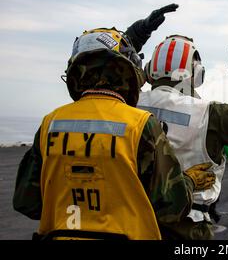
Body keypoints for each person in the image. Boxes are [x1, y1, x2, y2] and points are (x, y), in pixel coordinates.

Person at [13, 24, 215, 240]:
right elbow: (169, 208)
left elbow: (28, 203)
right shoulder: (141, 124)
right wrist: (190, 181)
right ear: (128, 69)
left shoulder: (50, 123)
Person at [136, 33, 228, 239]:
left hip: (131, 221)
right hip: (186, 226)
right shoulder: (208, 114)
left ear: (149, 71)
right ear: (196, 74)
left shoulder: (127, 104)